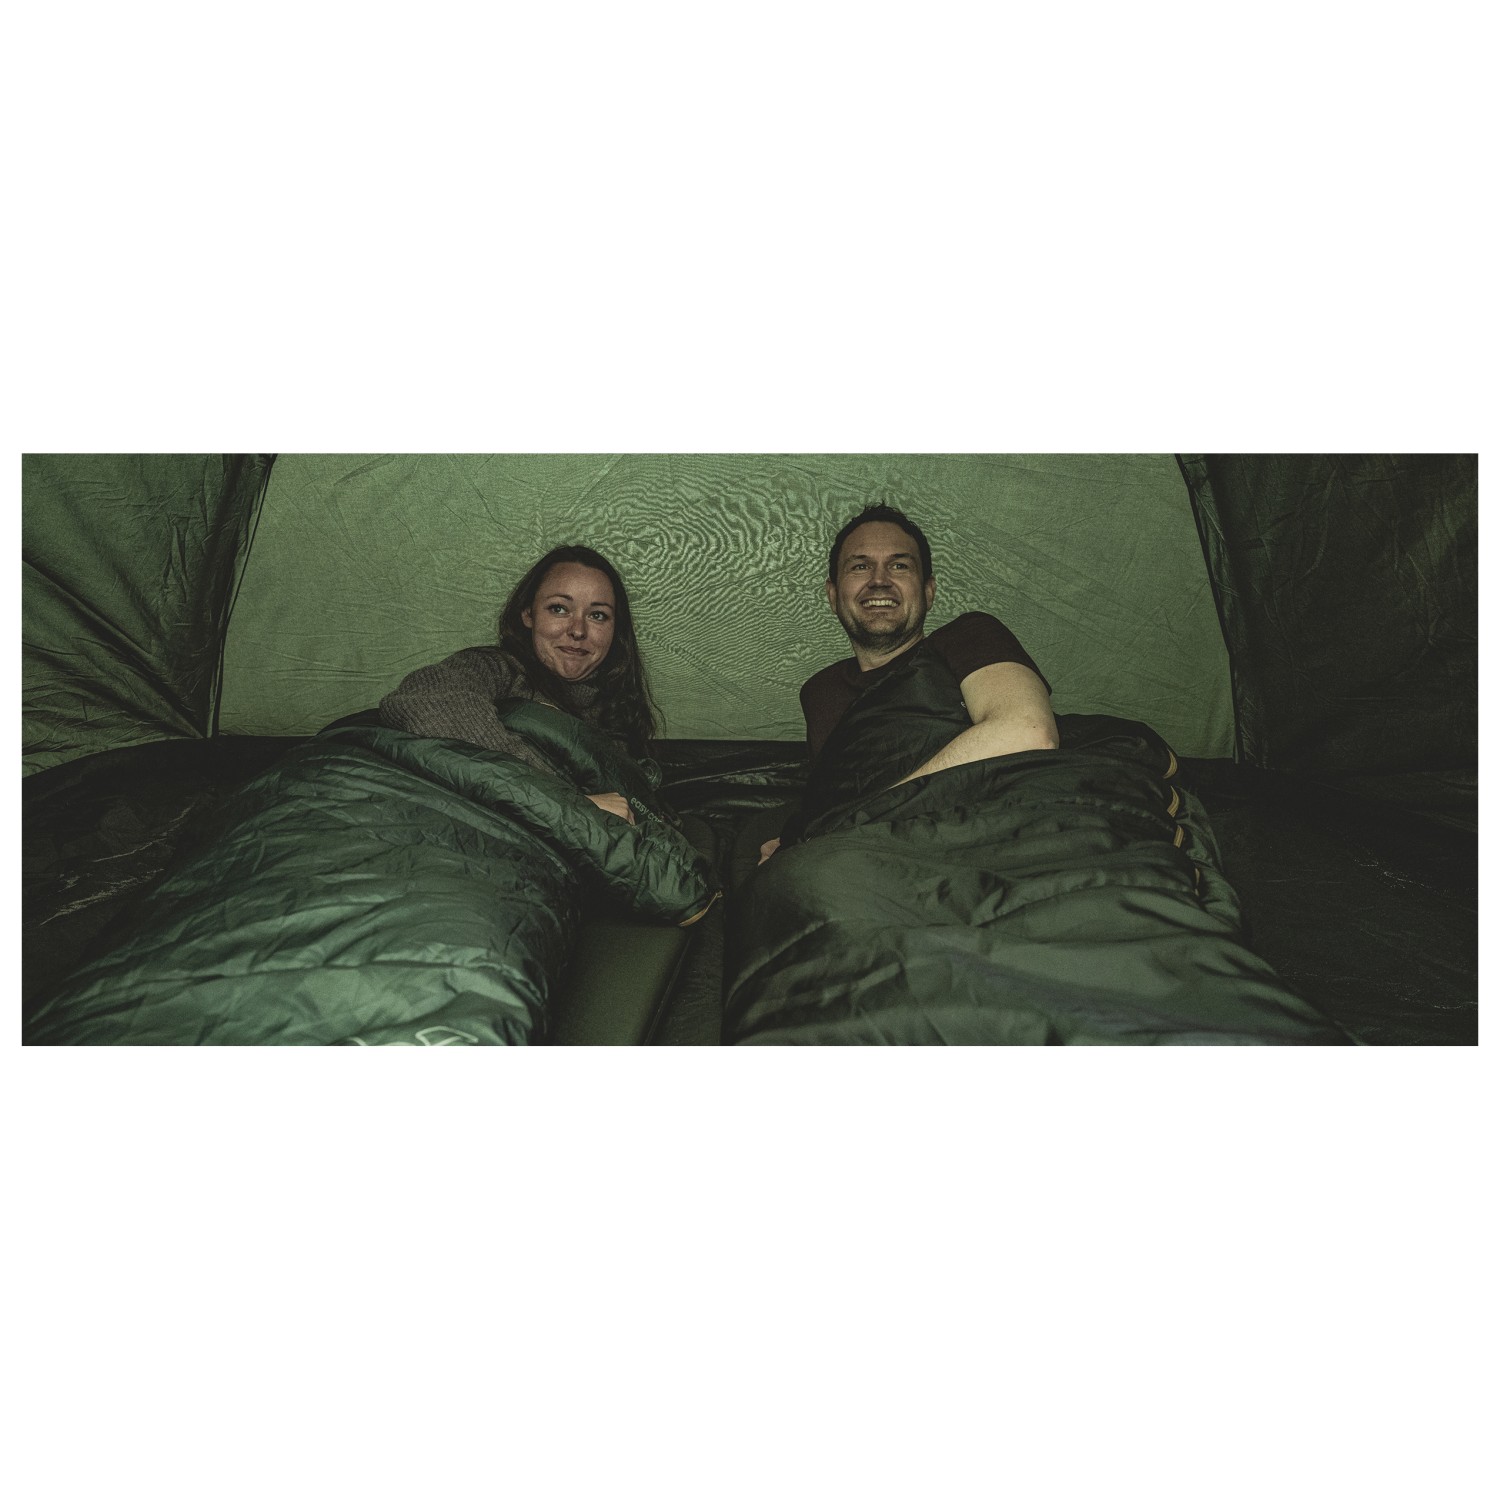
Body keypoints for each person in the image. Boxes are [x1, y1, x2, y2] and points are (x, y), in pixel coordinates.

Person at [760, 504, 1057, 861]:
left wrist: (848, 828)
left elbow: (1029, 732)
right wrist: (795, 840)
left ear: (929, 592)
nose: (879, 580)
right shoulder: (822, 693)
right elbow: (833, 800)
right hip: (875, 857)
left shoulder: (969, 636)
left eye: (899, 566)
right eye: (860, 566)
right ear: (833, 595)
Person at [380, 545, 659, 822]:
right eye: (559, 609)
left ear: (615, 629)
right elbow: (427, 698)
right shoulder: (499, 669)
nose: (578, 630)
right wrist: (564, 800)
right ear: (528, 614)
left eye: (597, 615)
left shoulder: (619, 712)